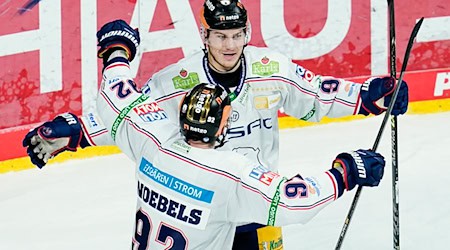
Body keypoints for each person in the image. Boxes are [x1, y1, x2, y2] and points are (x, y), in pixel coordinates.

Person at [22, 0, 408, 249]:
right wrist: (81, 131)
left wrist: (366, 96)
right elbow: (144, 113)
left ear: (247, 35)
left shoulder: (270, 68)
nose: (229, 45)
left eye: (236, 35)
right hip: (207, 204)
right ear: (204, 35)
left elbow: (316, 94)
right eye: (219, 36)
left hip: (257, 206)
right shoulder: (176, 80)